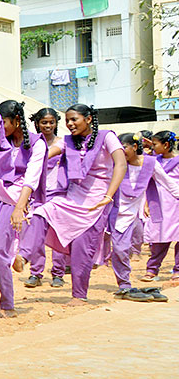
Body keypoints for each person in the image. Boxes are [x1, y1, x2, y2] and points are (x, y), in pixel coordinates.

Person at [13, 105, 126, 304]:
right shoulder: (68, 142)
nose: (70, 124)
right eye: (67, 121)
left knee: (82, 247)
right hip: (72, 198)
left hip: (97, 202)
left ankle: (79, 295)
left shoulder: (107, 136)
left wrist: (109, 196)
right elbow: (48, 154)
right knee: (41, 213)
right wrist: (31, 160)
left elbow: (121, 164)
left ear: (89, 119)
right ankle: (24, 256)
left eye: (74, 119)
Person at [0, 100, 48, 320]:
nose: (1, 128)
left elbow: (32, 177)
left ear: (17, 120)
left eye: (5, 123)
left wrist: (19, 208)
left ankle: (7, 302)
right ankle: (9, 271)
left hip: (14, 201)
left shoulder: (37, 144)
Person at [111, 133, 177, 301]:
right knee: (118, 249)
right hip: (113, 210)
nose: (120, 152)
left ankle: (125, 284)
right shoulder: (115, 163)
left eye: (123, 148)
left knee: (125, 248)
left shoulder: (150, 163)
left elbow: (167, 182)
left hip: (135, 213)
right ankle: (124, 284)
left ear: (134, 147)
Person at [24, 108, 68, 288]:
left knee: (58, 234)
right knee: (36, 235)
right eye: (44, 122)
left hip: (58, 192)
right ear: (37, 123)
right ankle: (36, 273)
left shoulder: (63, 142)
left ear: (56, 123)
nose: (48, 126)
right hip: (38, 194)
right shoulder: (31, 144)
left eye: (51, 122)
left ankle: (58, 272)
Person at [143, 130, 179, 282]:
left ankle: (177, 270)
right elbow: (148, 183)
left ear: (166, 145)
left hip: (175, 203)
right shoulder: (153, 161)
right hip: (157, 202)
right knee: (158, 236)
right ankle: (152, 269)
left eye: (155, 144)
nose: (152, 147)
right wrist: (146, 203)